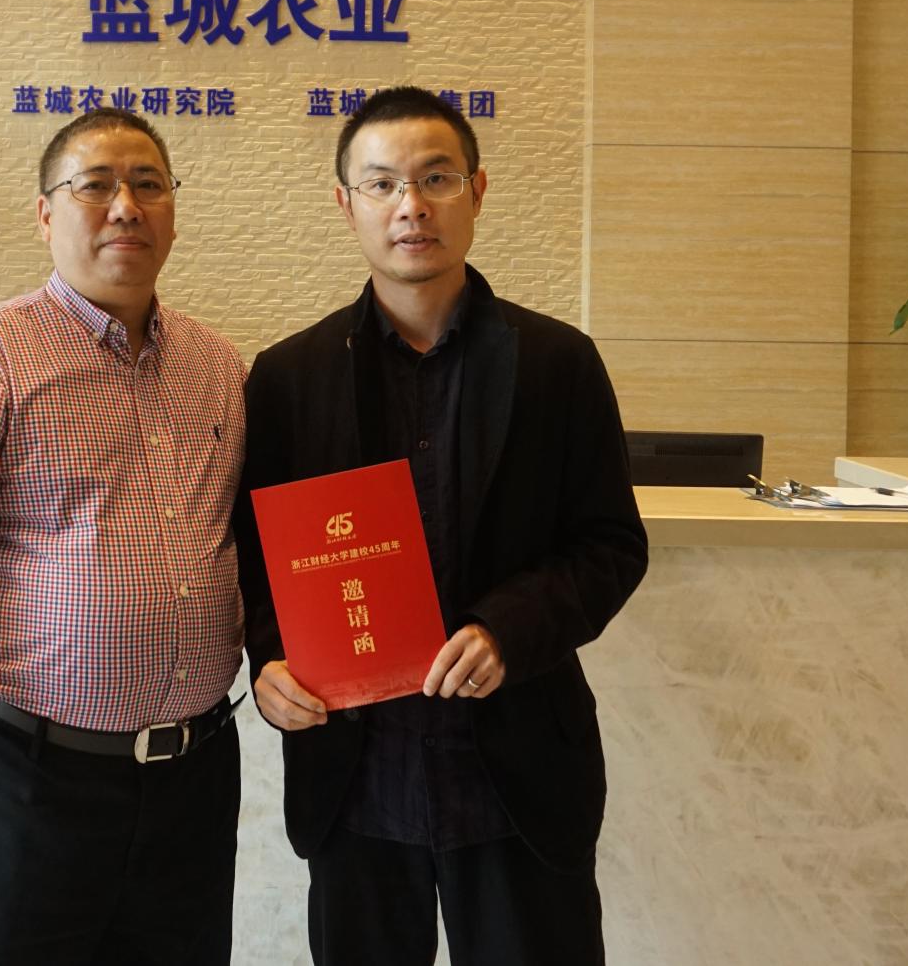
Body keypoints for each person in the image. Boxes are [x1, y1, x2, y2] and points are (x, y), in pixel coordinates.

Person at [234, 86, 648, 965]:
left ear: (477, 190)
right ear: (346, 203)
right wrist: (267, 661)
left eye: (436, 178)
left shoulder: (558, 364)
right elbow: (257, 559)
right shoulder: (289, 377)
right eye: (382, 183)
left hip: (516, 776)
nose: (411, 205)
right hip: (356, 781)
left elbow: (612, 545)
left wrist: (508, 630)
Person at [0, 107, 247, 966]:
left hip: (192, 781)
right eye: (94, 185)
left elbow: (242, 539)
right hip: (23, 778)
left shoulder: (218, 367)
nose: (125, 206)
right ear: (45, 213)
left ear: (173, 210)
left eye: (148, 185)